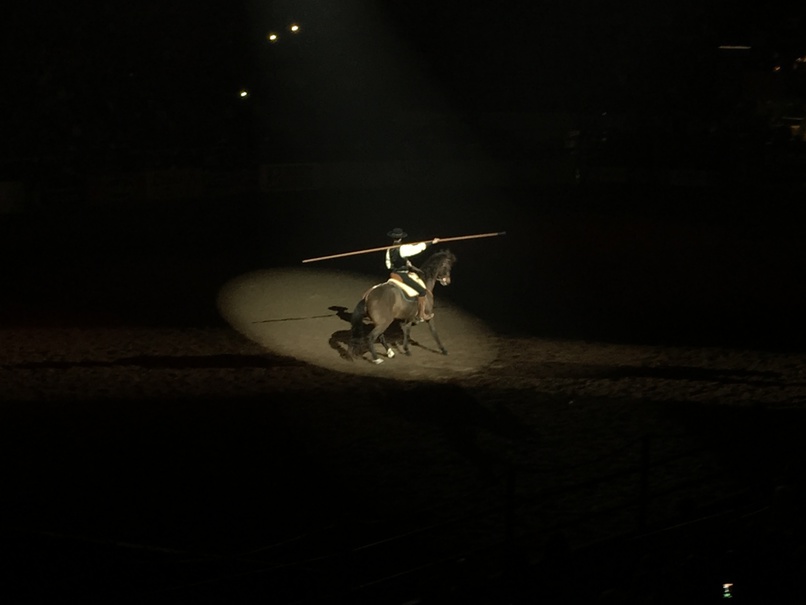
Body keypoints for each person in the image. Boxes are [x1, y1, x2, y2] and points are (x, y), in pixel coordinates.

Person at [385, 227, 440, 321]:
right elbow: (417, 248)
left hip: (393, 273)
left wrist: (404, 262)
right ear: (401, 238)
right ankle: (421, 314)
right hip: (402, 275)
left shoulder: (389, 249)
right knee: (422, 291)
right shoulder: (403, 248)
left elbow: (388, 265)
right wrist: (432, 242)